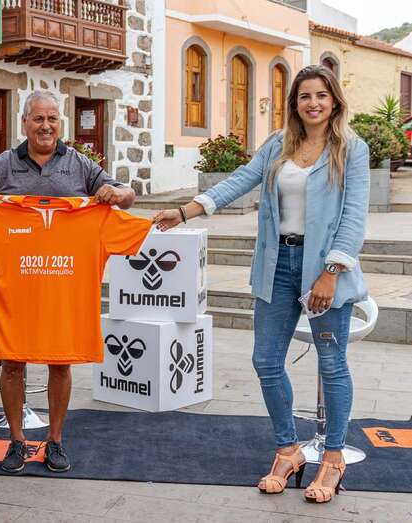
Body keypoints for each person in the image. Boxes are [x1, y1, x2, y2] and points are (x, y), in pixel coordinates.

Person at [154, 65, 369, 504]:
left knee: (331, 364)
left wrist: (331, 272)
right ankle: (288, 449)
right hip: (277, 264)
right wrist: (183, 212)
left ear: (334, 101)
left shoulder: (351, 148)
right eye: (304, 96)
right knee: (266, 361)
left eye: (321, 96)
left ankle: (332, 458)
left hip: (323, 267)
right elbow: (238, 181)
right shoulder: (277, 145)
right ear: (294, 103)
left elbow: (354, 216)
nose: (313, 103)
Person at [0, 90, 136, 474]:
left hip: (65, 290)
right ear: (25, 123)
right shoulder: (3, 164)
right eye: (38, 119)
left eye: (52, 119)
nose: (46, 126)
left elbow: (127, 196)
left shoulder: (80, 165)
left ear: (60, 124)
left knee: (60, 364)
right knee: (13, 362)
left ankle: (55, 441)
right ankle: (16, 441)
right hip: (18, 291)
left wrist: (116, 193)